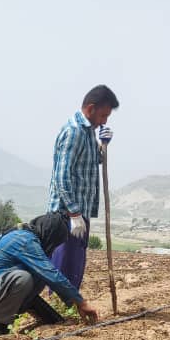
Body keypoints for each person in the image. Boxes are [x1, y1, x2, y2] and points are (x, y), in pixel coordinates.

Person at [0, 212, 99, 340]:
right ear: (51, 235)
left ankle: (45, 317)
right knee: (23, 278)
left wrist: (56, 317)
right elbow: (51, 274)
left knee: (36, 277)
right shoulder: (25, 241)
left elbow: (45, 276)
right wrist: (82, 302)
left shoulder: (25, 235)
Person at [48, 84, 119, 290]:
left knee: (75, 265)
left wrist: (103, 144)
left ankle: (68, 308)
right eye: (103, 115)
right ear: (90, 109)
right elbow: (62, 175)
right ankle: (59, 310)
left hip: (79, 214)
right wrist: (73, 213)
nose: (105, 121)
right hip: (66, 215)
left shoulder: (88, 133)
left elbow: (92, 160)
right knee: (64, 265)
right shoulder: (73, 132)